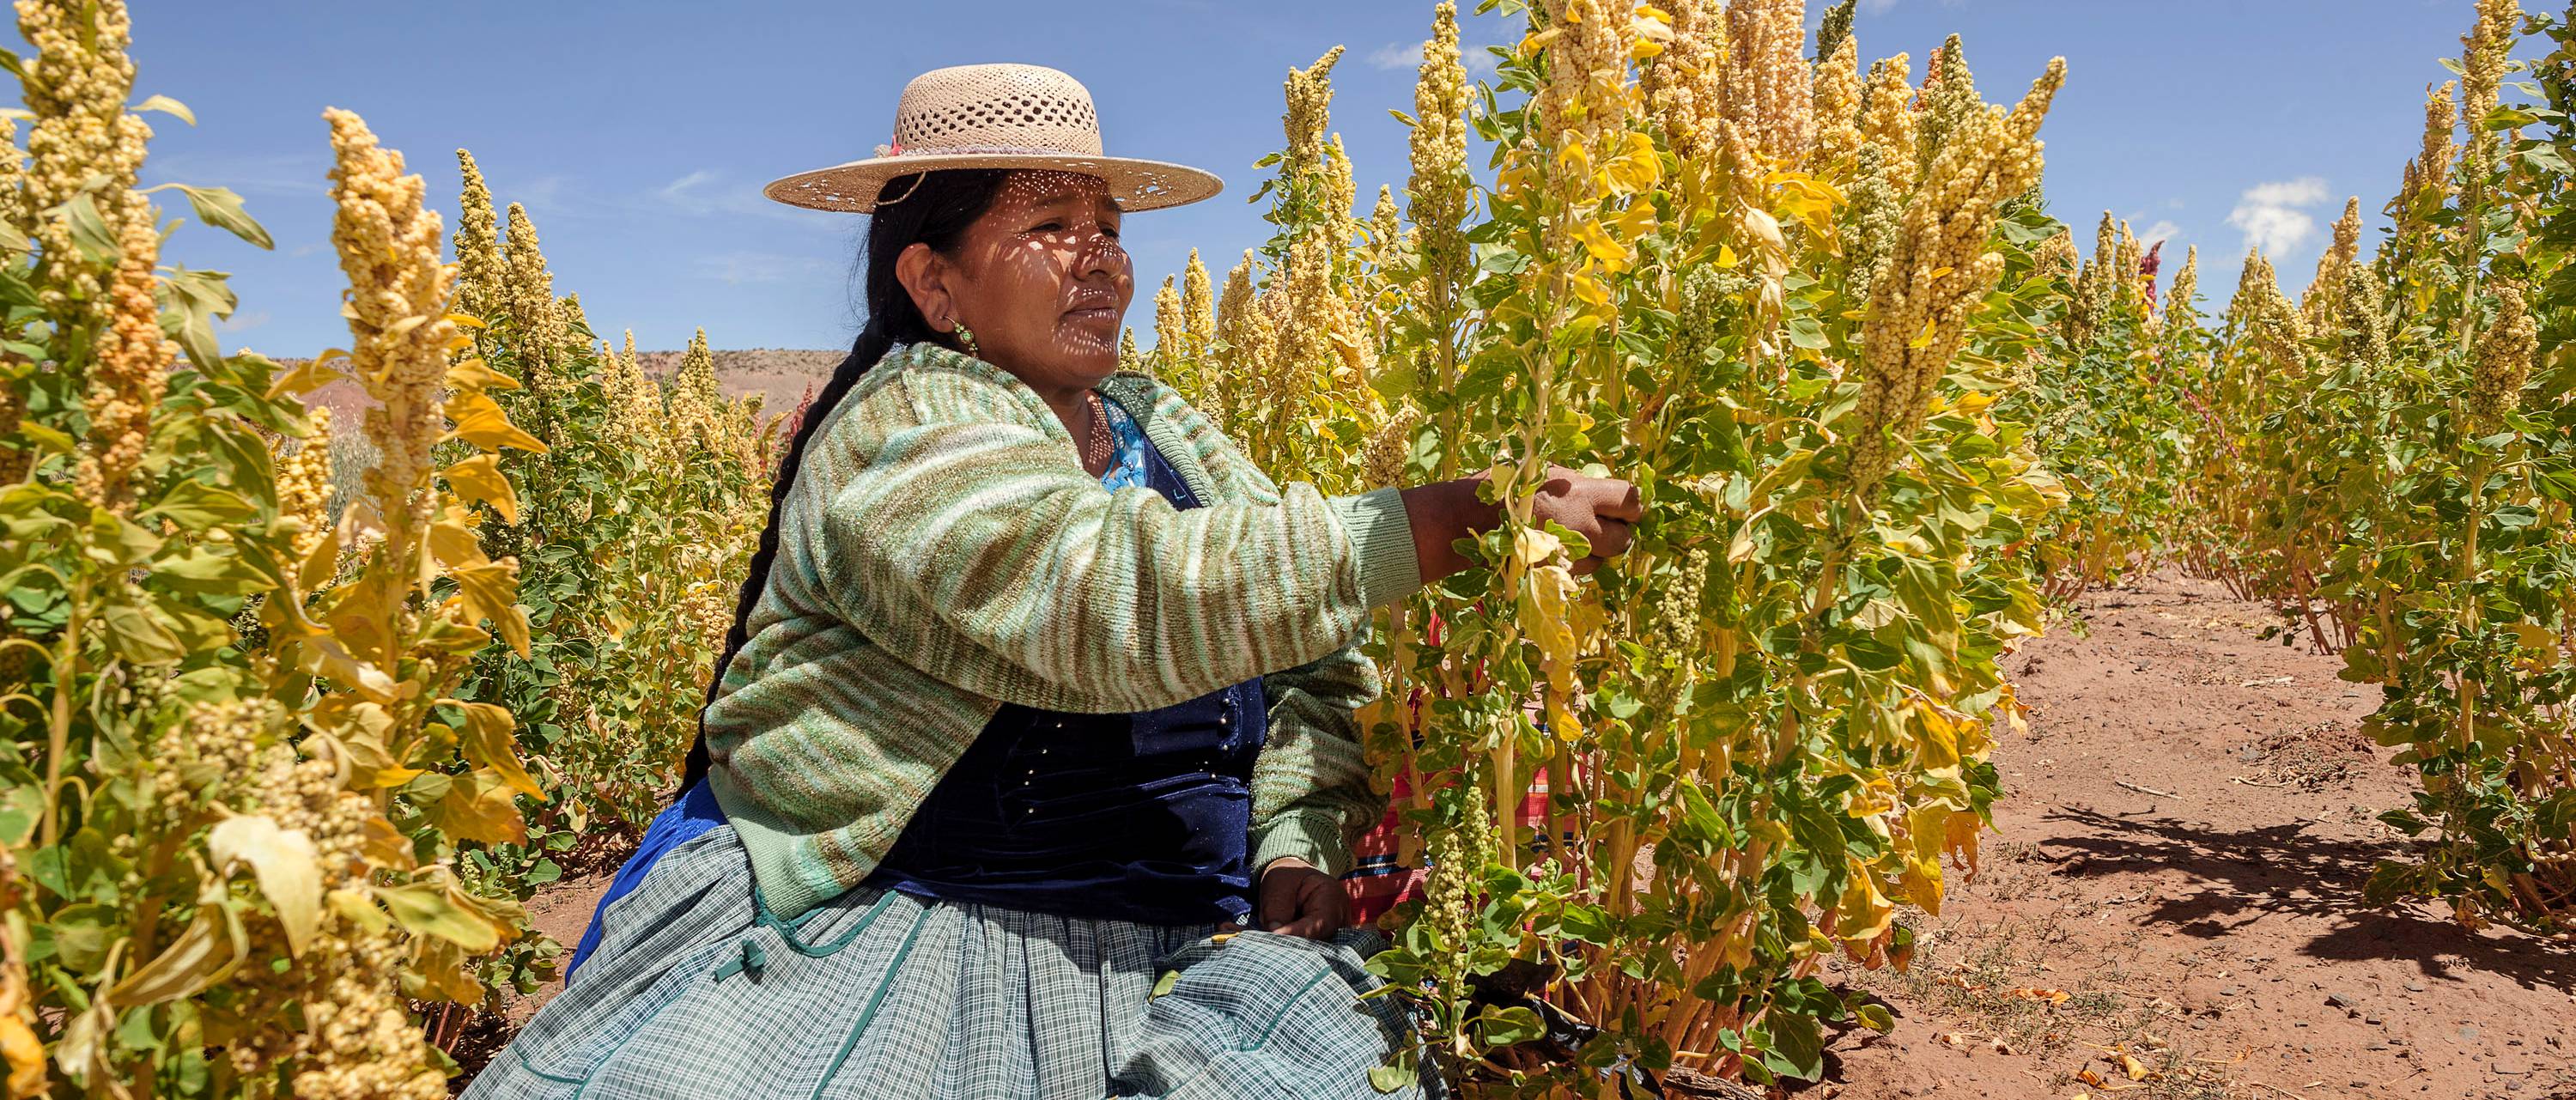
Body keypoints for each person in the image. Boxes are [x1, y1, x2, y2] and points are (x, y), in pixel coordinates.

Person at [465, 63, 1639, 1100]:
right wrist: (1447, 521)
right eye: (1051, 223)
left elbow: (1315, 662)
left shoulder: (1160, 425)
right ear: (935, 284)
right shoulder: (900, 429)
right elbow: (1101, 598)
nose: (1104, 259)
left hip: (1187, 939)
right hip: (928, 938)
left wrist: (1295, 830)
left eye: (1110, 222)